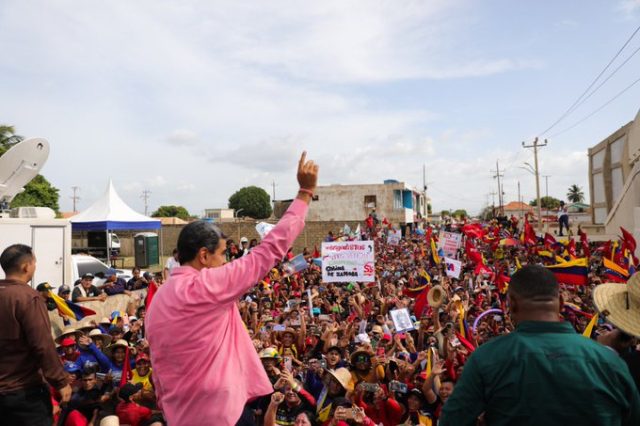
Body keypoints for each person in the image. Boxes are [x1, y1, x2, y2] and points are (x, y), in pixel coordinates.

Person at [146, 152, 318, 426]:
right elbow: (268, 251)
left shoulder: (159, 299)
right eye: (223, 254)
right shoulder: (207, 286)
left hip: (180, 414)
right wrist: (305, 193)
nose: (227, 262)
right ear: (203, 255)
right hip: (222, 412)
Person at [440, 264, 640, 426]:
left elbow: (451, 421)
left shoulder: (486, 359)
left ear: (511, 305)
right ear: (561, 302)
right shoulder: (611, 363)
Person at [0, 244, 71, 425]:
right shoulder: (28, 298)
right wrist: (61, 382)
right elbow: (43, 345)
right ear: (26, 266)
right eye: (34, 262)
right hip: (23, 394)